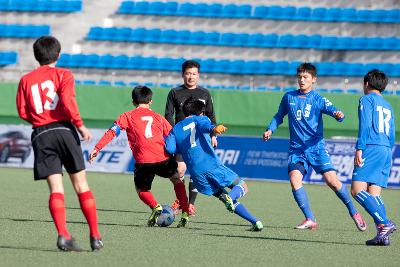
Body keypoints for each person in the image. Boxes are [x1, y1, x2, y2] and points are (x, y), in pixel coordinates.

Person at [16, 36, 103, 252]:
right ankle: (95, 236)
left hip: (41, 134)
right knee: (81, 185)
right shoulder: (63, 74)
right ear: (59, 54)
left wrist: (39, 121)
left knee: (56, 188)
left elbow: (22, 111)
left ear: (37, 56)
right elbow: (67, 100)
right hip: (64, 130)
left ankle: (63, 235)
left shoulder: (26, 79)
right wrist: (80, 125)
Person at [262, 62, 366, 231]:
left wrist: (338, 115)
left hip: (316, 149)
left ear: (314, 80)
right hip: (297, 150)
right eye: (299, 77)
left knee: (332, 181)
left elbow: (335, 111)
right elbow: (279, 116)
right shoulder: (289, 97)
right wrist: (270, 129)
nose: (302, 80)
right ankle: (310, 218)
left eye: (305, 77)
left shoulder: (318, 99)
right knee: (294, 180)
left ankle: (354, 212)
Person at [89, 86, 190, 227]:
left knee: (141, 189)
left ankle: (155, 206)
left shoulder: (127, 116)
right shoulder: (158, 117)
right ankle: (185, 211)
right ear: (151, 102)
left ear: (133, 102)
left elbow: (113, 132)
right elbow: (173, 135)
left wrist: (97, 148)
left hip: (144, 161)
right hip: (163, 158)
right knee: (177, 180)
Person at [165, 98, 263, 231]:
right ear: (201, 112)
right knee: (242, 186)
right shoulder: (202, 119)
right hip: (211, 166)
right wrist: (215, 129)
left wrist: (182, 148)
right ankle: (232, 197)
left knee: (226, 199)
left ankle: (255, 222)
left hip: (196, 174)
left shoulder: (175, 129)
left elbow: (170, 149)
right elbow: (206, 127)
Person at [165, 60, 217, 216]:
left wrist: (213, 135)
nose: (191, 76)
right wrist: (174, 133)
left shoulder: (205, 93)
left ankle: (190, 205)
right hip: (182, 139)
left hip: (200, 140)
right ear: (183, 74)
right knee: (179, 171)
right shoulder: (174, 92)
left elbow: (211, 115)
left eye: (194, 73)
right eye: (188, 73)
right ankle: (181, 200)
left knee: (195, 171)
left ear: (198, 75)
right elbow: (168, 114)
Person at [350, 70, 396, 246]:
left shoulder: (366, 99)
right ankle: (382, 236)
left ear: (367, 84)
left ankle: (385, 223)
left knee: (356, 190)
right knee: (374, 193)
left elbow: (366, 125)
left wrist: (360, 148)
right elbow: (392, 133)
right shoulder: (388, 105)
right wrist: (386, 149)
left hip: (371, 147)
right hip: (386, 149)